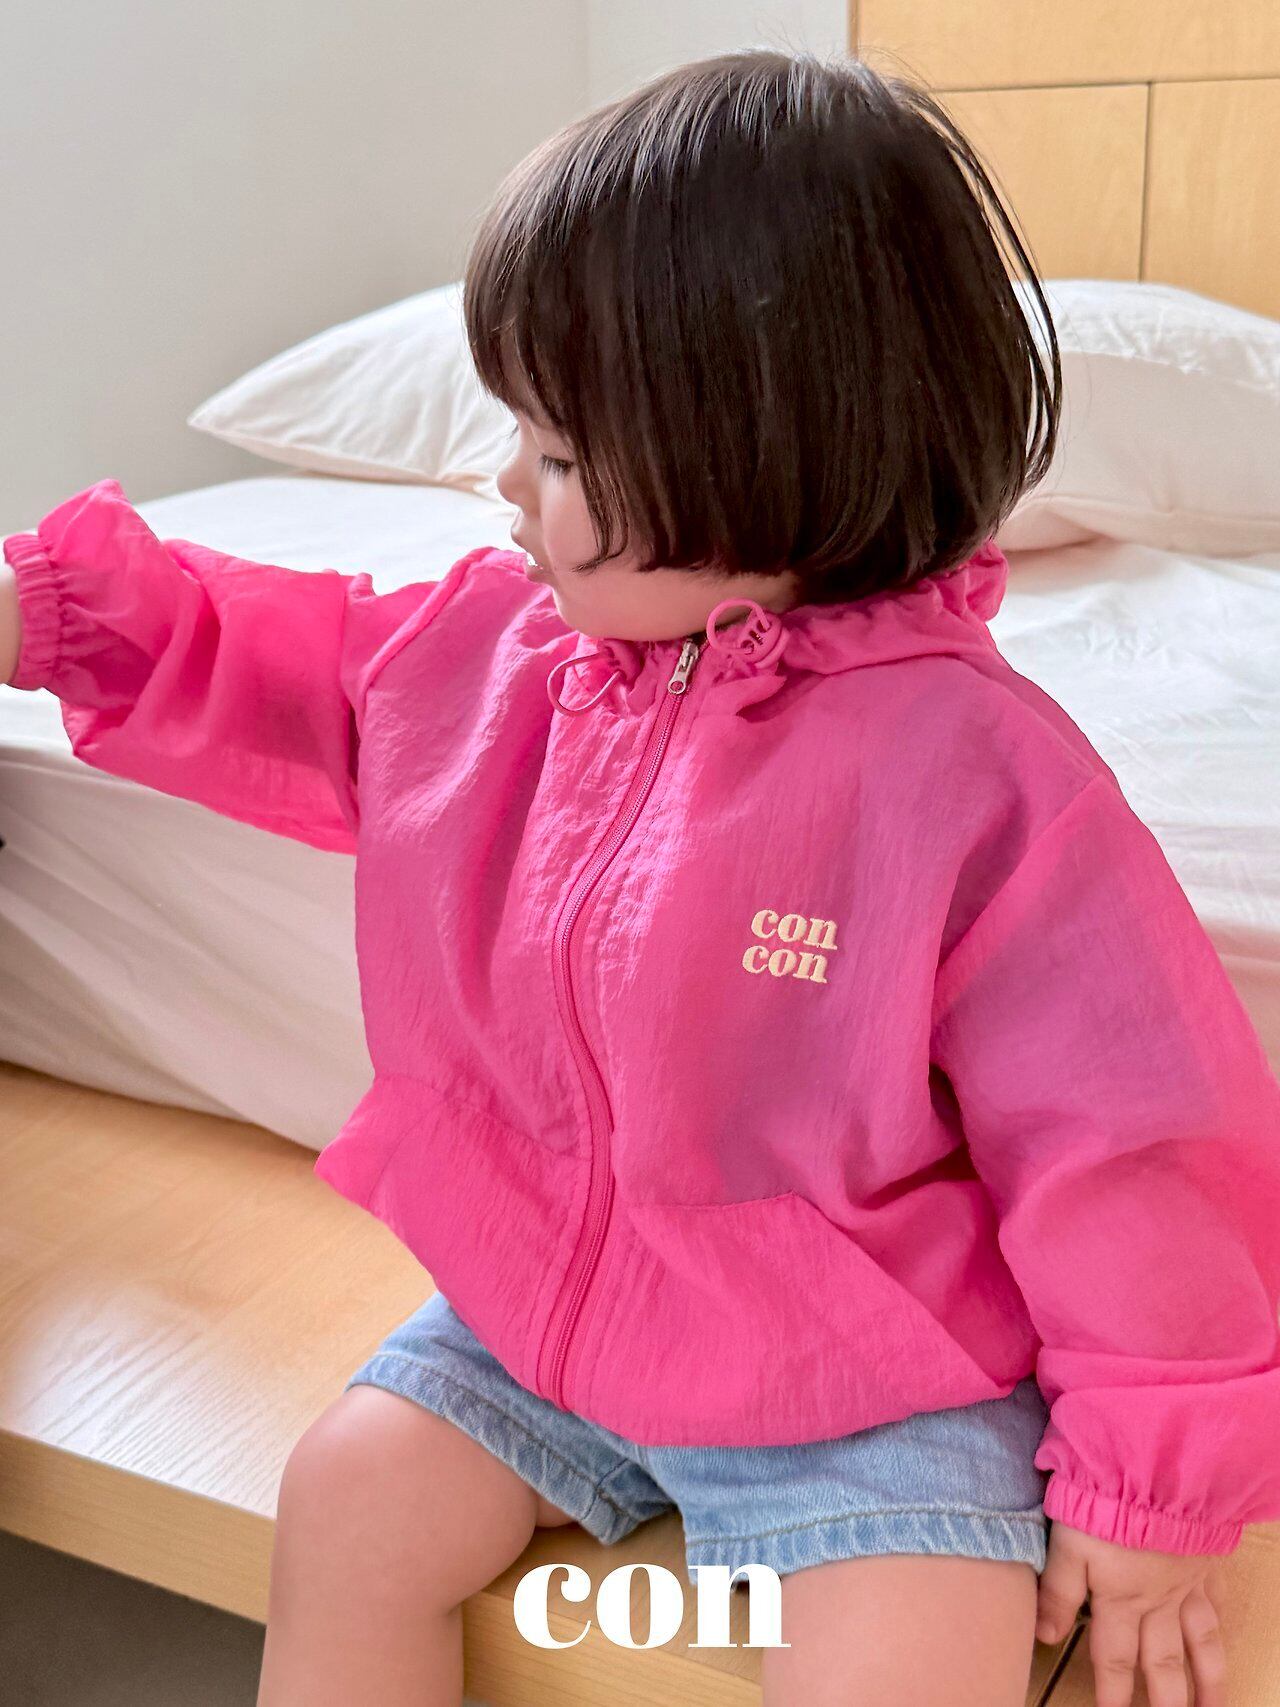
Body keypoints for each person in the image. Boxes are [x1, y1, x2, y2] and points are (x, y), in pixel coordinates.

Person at [2, 47, 1274, 1707]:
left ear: (761, 454)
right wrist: (56, 618)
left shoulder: (976, 776)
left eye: (555, 451)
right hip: (542, 1320)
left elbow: (1131, 1141)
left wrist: (1148, 1485)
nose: (503, 487)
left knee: (909, 1666)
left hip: (863, 1381)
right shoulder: (486, 660)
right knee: (349, 1505)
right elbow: (277, 656)